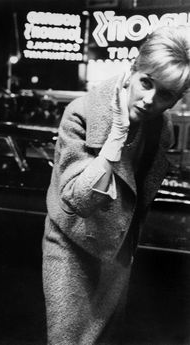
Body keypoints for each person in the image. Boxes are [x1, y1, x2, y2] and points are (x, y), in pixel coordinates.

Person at [42, 25, 190, 345]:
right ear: (131, 72)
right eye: (146, 83)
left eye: (165, 94)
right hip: (71, 247)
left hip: (118, 253)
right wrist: (116, 137)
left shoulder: (160, 127)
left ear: (176, 100)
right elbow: (77, 200)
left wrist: (128, 248)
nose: (149, 99)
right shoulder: (81, 113)